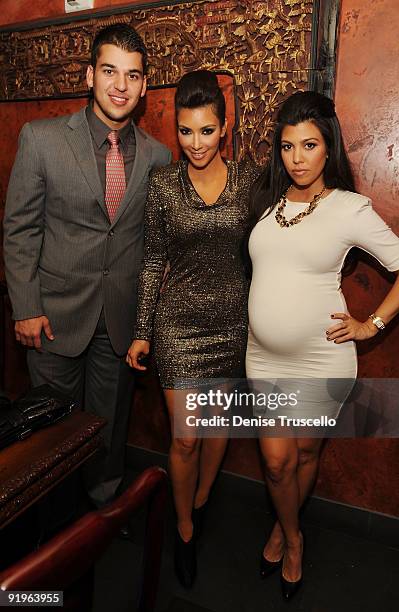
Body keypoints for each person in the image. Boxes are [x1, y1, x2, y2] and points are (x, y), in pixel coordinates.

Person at [245, 91, 399, 600]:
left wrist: (372, 325)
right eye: (286, 146)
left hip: (322, 357)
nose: (297, 158)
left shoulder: (348, 208)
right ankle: (295, 532)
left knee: (302, 456)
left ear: (329, 148)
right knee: (276, 461)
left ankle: (285, 533)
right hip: (262, 355)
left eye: (309, 145)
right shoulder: (264, 201)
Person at [3, 24, 171, 508]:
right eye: (110, 71)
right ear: (90, 75)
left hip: (118, 322)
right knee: (48, 431)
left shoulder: (159, 157)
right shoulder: (41, 139)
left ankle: (100, 515)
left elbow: (150, 243)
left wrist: (144, 322)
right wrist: (25, 307)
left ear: (143, 86)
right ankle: (49, 520)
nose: (120, 85)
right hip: (52, 317)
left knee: (108, 426)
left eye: (132, 75)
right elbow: (20, 229)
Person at [127, 70, 259, 587]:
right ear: (175, 131)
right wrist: (142, 331)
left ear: (224, 130)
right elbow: (153, 260)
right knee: (186, 438)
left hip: (233, 324)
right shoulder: (162, 184)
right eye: (186, 131)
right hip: (177, 327)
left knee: (218, 431)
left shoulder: (251, 180)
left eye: (207, 131)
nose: (196, 143)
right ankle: (183, 529)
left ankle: (201, 504)